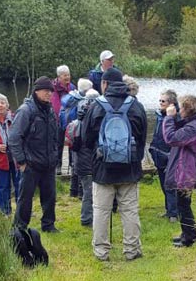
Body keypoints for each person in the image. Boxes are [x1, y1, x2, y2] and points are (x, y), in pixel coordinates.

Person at [81, 68, 148, 261]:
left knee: (101, 211)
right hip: (130, 168)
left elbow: (86, 139)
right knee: (129, 210)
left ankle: (101, 252)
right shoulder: (135, 106)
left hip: (102, 168)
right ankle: (132, 250)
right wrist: (135, 159)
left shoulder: (97, 106)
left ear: (104, 84)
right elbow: (142, 138)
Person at [9, 76, 60, 233]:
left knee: (50, 197)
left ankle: (48, 225)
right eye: (46, 91)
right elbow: (14, 138)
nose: (49, 94)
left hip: (48, 164)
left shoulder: (50, 110)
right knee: (25, 199)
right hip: (30, 164)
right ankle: (19, 228)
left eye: (50, 91)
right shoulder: (26, 111)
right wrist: (21, 161)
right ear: (36, 91)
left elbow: (54, 136)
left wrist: (55, 155)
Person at [163, 95, 196, 248]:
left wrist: (169, 118)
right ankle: (188, 233)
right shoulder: (194, 123)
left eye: (181, 107)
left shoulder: (194, 128)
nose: (179, 110)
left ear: (187, 109)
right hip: (187, 168)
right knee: (183, 203)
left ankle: (189, 238)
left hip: (187, 170)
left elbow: (171, 138)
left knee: (183, 204)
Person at [149, 89, 179, 223]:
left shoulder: (176, 117)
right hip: (158, 153)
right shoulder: (159, 115)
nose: (160, 103)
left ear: (171, 103)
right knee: (163, 184)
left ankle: (174, 213)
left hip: (170, 155)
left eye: (163, 101)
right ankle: (169, 210)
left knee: (170, 185)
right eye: (160, 100)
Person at [60, 78, 93, 198]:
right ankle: (80, 192)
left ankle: (73, 191)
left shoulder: (70, 98)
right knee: (80, 163)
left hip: (71, 133)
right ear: (86, 90)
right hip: (80, 134)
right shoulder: (84, 101)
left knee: (74, 163)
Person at [72, 88, 100, 227]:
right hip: (87, 162)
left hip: (81, 161)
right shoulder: (88, 122)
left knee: (88, 191)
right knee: (89, 192)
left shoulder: (78, 120)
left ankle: (89, 217)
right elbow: (88, 143)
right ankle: (86, 219)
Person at [51, 65, 76, 175]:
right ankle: (58, 166)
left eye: (68, 75)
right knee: (58, 144)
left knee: (72, 143)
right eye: (65, 75)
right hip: (57, 121)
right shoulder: (52, 88)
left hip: (71, 121)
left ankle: (72, 165)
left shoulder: (72, 87)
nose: (67, 77)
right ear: (59, 76)